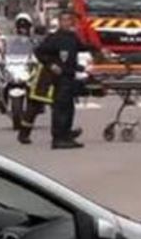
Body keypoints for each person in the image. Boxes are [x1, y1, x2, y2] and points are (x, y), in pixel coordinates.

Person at [18, 10, 97, 149]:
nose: (67, 23)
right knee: (59, 109)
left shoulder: (72, 37)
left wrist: (98, 47)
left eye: (69, 20)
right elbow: (39, 52)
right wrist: (51, 64)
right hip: (57, 78)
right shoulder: (54, 38)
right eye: (64, 20)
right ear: (60, 22)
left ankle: (66, 134)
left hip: (69, 76)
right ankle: (58, 138)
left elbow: (81, 49)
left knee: (68, 108)